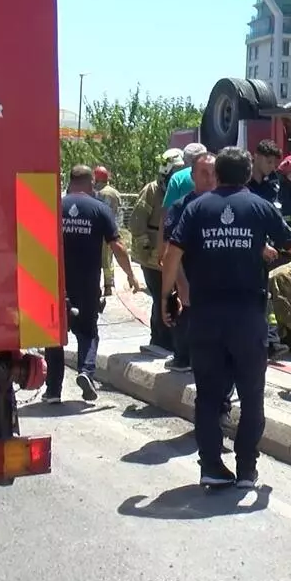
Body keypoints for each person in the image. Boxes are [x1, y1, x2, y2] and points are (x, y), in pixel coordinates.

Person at [162, 147, 291, 489]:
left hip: (205, 317)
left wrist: (165, 297)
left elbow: (171, 254)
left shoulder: (196, 208)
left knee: (209, 396)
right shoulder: (259, 207)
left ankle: (211, 466)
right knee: (251, 393)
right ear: (246, 175)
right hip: (247, 318)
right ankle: (246, 469)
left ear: (217, 174)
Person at [44, 166, 141, 404]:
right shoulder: (100, 209)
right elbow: (117, 246)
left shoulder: (55, 207)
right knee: (88, 331)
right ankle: (86, 372)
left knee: (54, 336)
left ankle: (53, 391)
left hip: (54, 281)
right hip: (87, 283)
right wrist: (130, 275)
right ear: (90, 183)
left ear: (70, 182)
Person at [161, 151, 217, 372]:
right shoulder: (180, 207)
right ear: (192, 175)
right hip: (191, 275)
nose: (209, 178)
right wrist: (181, 282)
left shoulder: (225, 204)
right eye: (203, 173)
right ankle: (182, 357)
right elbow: (171, 250)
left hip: (218, 278)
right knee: (187, 316)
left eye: (213, 173)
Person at [130, 148, 185, 355]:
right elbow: (136, 222)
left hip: (173, 254)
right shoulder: (152, 190)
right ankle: (160, 338)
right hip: (153, 256)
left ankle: (169, 339)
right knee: (161, 297)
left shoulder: (180, 189)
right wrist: (147, 245)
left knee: (173, 297)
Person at [249, 139, 287, 358]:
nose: (273, 167)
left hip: (265, 250)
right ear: (257, 157)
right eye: (270, 161)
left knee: (264, 295)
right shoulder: (244, 185)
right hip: (247, 248)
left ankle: (270, 341)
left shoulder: (270, 185)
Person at [94, 165, 123, 296]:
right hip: (111, 230)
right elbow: (119, 212)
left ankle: (95, 285)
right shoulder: (114, 193)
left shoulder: (92, 191)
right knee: (108, 260)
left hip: (95, 231)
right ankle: (108, 286)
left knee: (95, 259)